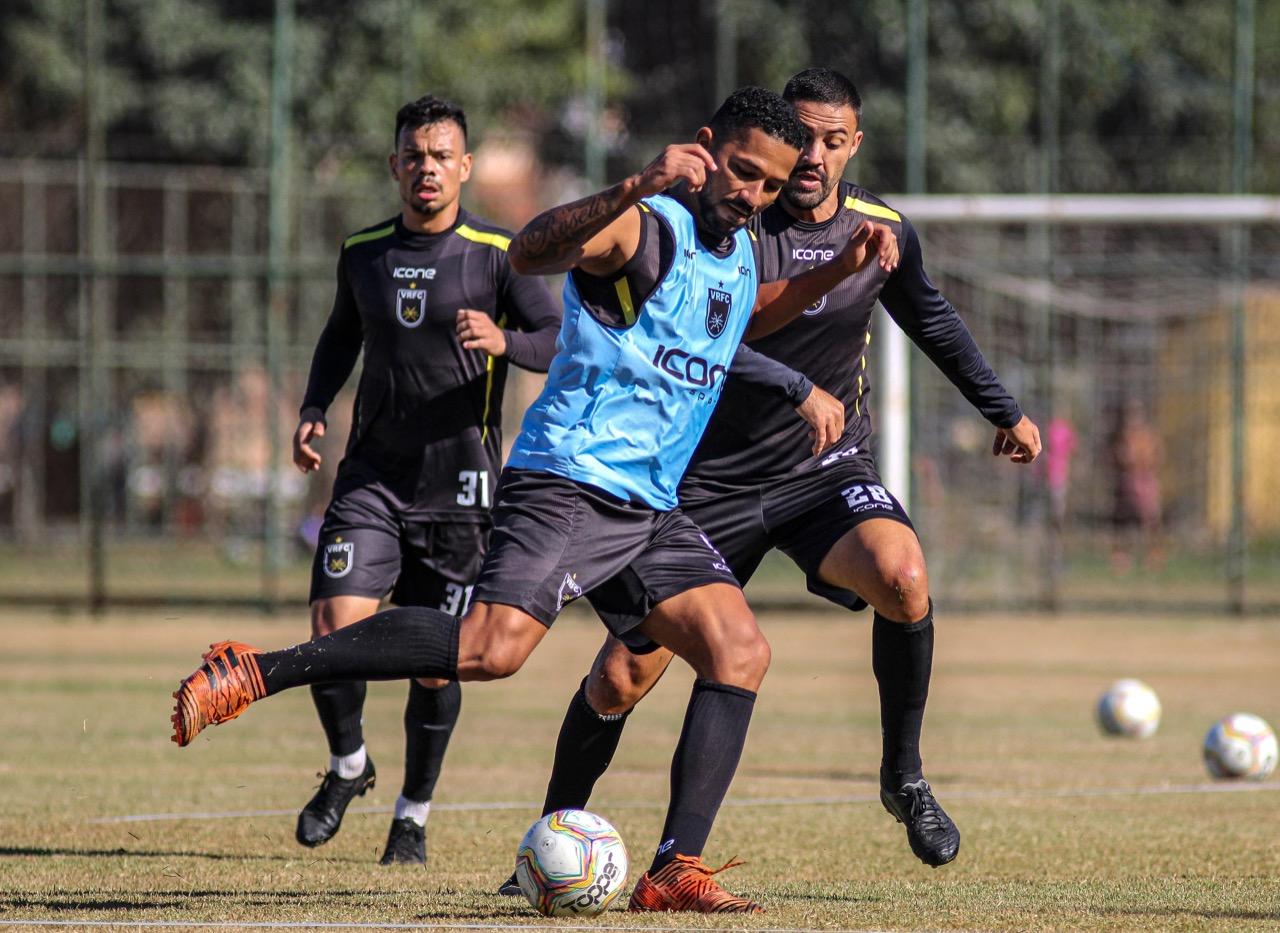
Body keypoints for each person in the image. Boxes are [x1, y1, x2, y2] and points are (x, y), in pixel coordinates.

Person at [171, 86, 897, 914]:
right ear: (703, 148)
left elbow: (743, 324)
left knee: (738, 651)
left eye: (769, 184)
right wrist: (634, 183)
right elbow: (529, 251)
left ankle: (674, 869)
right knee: (491, 651)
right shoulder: (648, 223)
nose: (754, 194)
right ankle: (257, 671)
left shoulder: (736, 247)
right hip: (571, 482)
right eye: (741, 173)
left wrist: (836, 277)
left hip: (649, 504)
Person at [496, 68, 1041, 893]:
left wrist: (1004, 409)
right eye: (803, 139)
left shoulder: (881, 227)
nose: (814, 157)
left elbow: (930, 316)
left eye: (833, 140)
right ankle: (548, 841)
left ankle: (902, 776)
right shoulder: (735, 225)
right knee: (618, 677)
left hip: (822, 472)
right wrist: (792, 386)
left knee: (902, 573)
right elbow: (706, 334)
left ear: (855, 143)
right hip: (703, 482)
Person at [287, 95, 563, 865]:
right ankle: (349, 765)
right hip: (373, 476)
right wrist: (314, 405)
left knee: (435, 664)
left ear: (465, 166)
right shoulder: (363, 250)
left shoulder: (497, 253)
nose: (427, 168)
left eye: (442, 156)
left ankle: (412, 814)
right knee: (333, 630)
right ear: (394, 164)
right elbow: (342, 334)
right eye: (414, 155)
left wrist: (505, 339)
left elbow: (557, 339)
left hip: (461, 489)